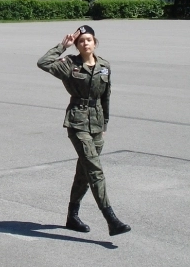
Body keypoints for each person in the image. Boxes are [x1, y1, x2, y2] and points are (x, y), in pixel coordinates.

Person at [37, 25, 130, 237]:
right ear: (77, 45)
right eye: (81, 41)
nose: (85, 43)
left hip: (97, 123)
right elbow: (43, 62)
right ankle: (111, 218)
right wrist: (62, 46)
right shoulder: (70, 64)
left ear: (95, 42)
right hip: (77, 122)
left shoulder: (104, 66)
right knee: (95, 169)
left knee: (84, 173)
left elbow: (106, 96)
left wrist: (105, 124)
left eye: (88, 39)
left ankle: (72, 215)